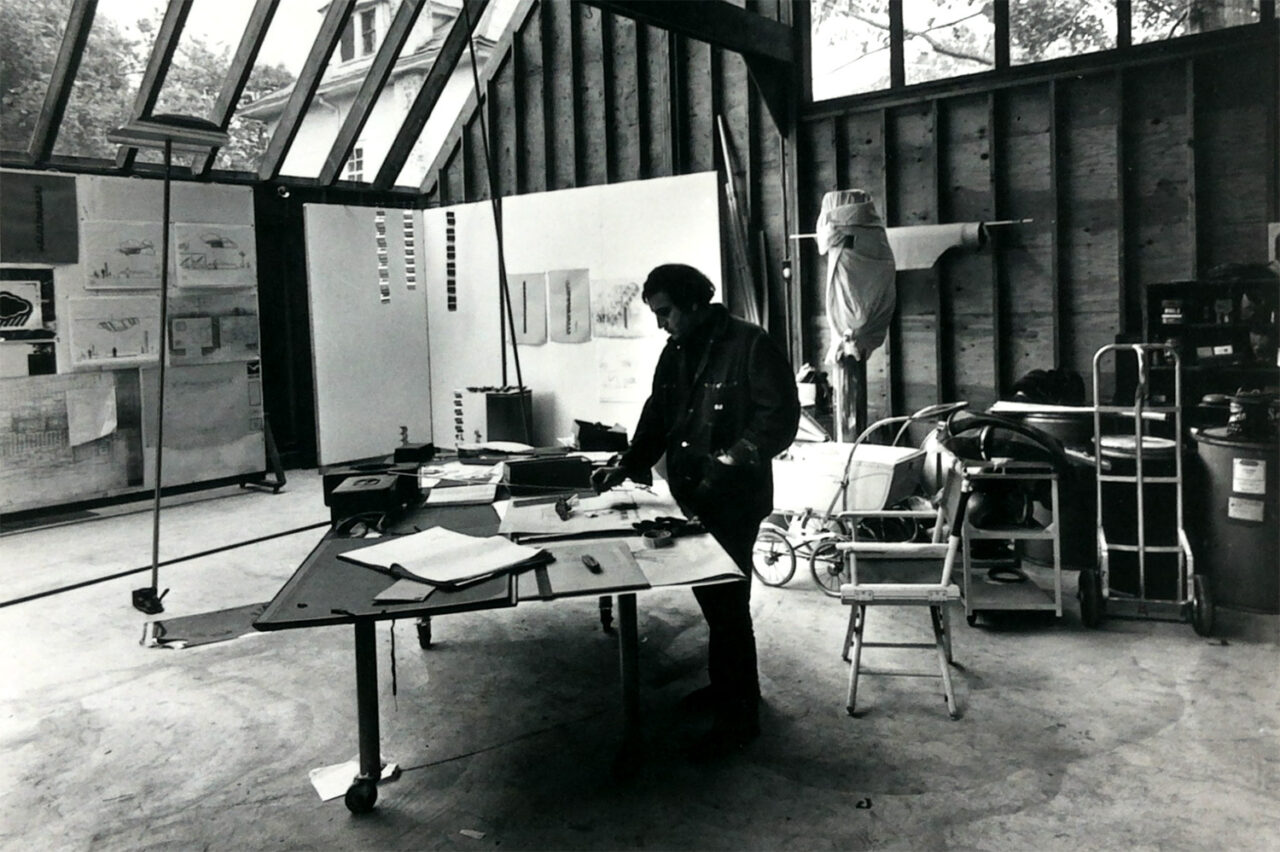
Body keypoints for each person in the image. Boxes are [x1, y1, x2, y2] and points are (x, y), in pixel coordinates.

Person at [592, 263, 800, 760]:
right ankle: (724, 688)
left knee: (728, 609)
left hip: (734, 500)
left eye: (665, 312)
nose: (661, 323)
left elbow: (781, 418)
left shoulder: (750, 344)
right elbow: (657, 415)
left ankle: (740, 717)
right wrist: (627, 464)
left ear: (692, 302)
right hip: (690, 497)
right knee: (713, 602)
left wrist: (733, 458)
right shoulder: (676, 350)